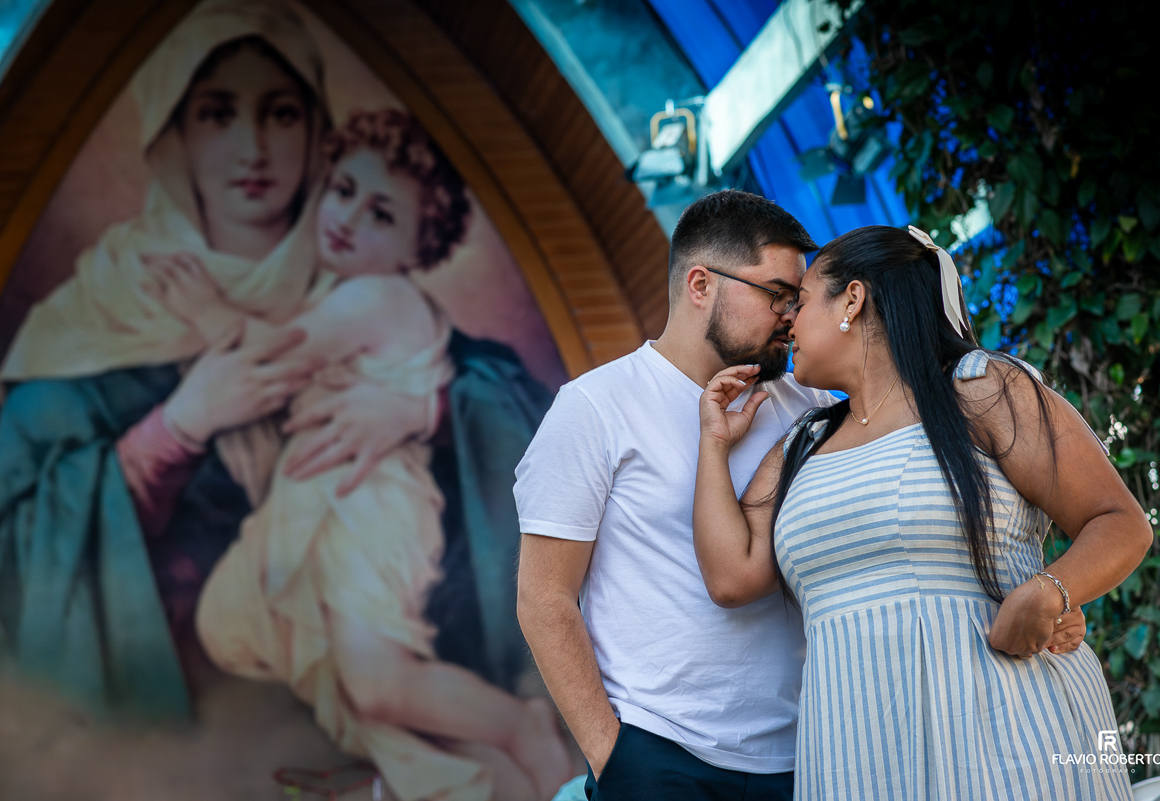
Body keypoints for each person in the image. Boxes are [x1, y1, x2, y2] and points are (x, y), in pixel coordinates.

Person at [0, 0, 444, 722]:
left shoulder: (363, 288)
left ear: (317, 130)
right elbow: (19, 527)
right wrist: (175, 429)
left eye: (280, 113)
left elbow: (500, 405)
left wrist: (426, 408)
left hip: (344, 676)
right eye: (216, 113)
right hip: (171, 722)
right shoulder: (104, 306)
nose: (253, 148)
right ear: (171, 133)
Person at [142, 108, 570, 801]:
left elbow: (270, 363)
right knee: (338, 674)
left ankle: (521, 727)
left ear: (416, 245)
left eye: (380, 214)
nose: (346, 217)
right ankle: (464, 771)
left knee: (375, 683)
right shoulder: (339, 295)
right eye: (342, 190)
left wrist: (202, 308)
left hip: (372, 509)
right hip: (327, 505)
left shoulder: (381, 296)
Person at [692, 224, 1149, 799]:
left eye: (802, 301)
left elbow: (1119, 521)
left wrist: (1048, 591)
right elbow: (732, 577)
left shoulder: (980, 389)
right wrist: (713, 443)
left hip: (1007, 730)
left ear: (852, 301)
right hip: (857, 750)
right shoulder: (800, 445)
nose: (788, 321)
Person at [514, 190, 832, 800]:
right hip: (659, 756)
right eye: (775, 294)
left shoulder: (811, 407)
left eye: (798, 298)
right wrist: (615, 760)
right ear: (699, 284)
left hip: (805, 755)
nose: (791, 316)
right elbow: (545, 599)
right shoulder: (594, 408)